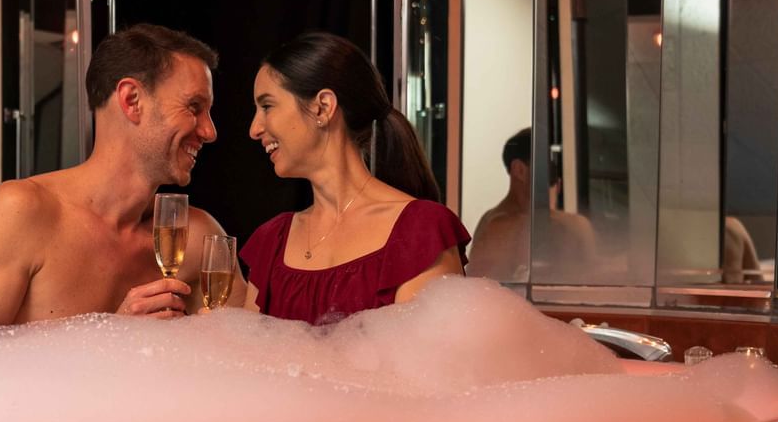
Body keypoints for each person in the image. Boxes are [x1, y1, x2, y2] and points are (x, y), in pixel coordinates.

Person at [0, 23, 239, 329]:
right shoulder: (21, 212)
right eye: (194, 107)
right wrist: (107, 336)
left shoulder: (196, 238)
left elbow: (249, 353)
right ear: (132, 100)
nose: (209, 131)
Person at [241, 32, 468, 324]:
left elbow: (421, 366)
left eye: (267, 106)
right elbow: (247, 361)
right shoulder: (271, 242)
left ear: (323, 106)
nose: (254, 128)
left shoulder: (420, 233)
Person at [465, 128, 596, 283]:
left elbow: (592, 278)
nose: (551, 179)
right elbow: (481, 287)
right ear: (519, 170)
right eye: (545, 168)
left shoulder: (568, 224)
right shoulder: (498, 227)